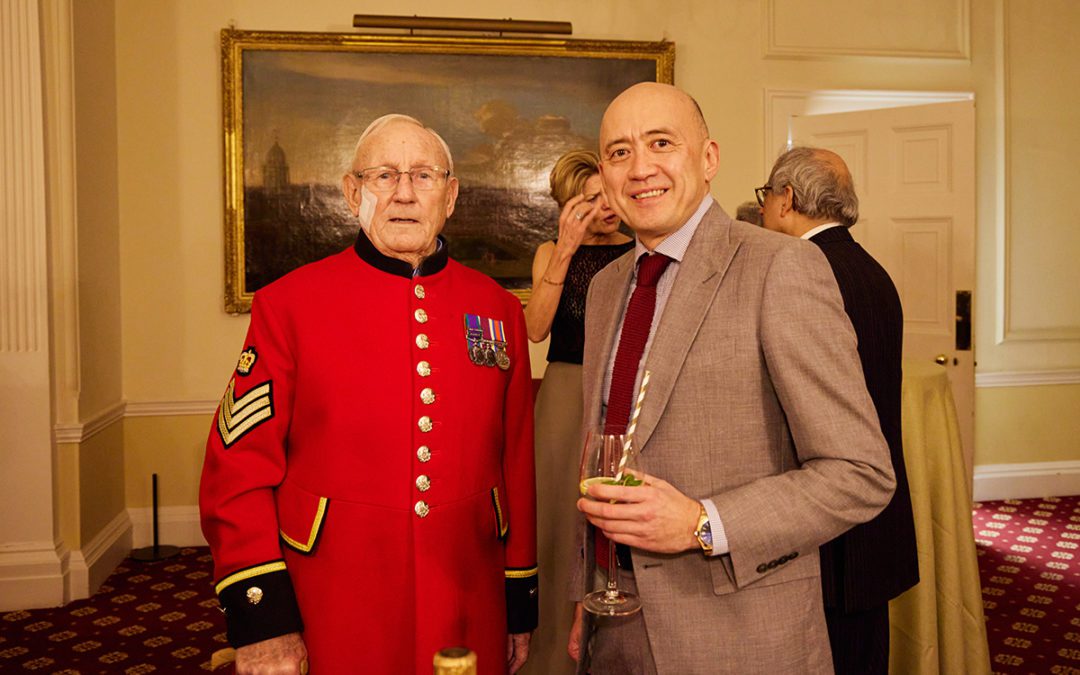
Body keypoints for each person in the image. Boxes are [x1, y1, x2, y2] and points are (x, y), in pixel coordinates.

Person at [569, 82, 897, 674]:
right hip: (615, 625)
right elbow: (606, 449)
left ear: (709, 158)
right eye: (619, 152)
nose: (640, 168)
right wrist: (586, 591)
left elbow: (860, 473)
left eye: (661, 143)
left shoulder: (782, 268)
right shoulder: (604, 288)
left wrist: (702, 523)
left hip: (738, 636)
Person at [199, 114, 538, 675]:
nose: (404, 193)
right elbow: (236, 473)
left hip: (469, 598)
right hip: (335, 601)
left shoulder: (497, 309)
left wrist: (518, 595)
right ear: (353, 192)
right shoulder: (289, 307)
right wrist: (265, 622)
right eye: (384, 175)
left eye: (423, 176)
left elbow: (516, 462)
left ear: (450, 196)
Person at [758, 146, 919, 674]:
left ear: (787, 198)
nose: (763, 208)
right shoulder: (872, 270)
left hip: (831, 529)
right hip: (876, 524)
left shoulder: (801, 271)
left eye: (766, 196)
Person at [522, 150, 632, 675]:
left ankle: (608, 654)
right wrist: (565, 251)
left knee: (612, 525)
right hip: (565, 397)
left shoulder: (640, 248)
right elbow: (535, 329)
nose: (604, 206)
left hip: (622, 391)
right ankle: (548, 661)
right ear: (567, 208)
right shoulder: (551, 251)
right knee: (557, 526)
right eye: (588, 200)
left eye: (607, 193)